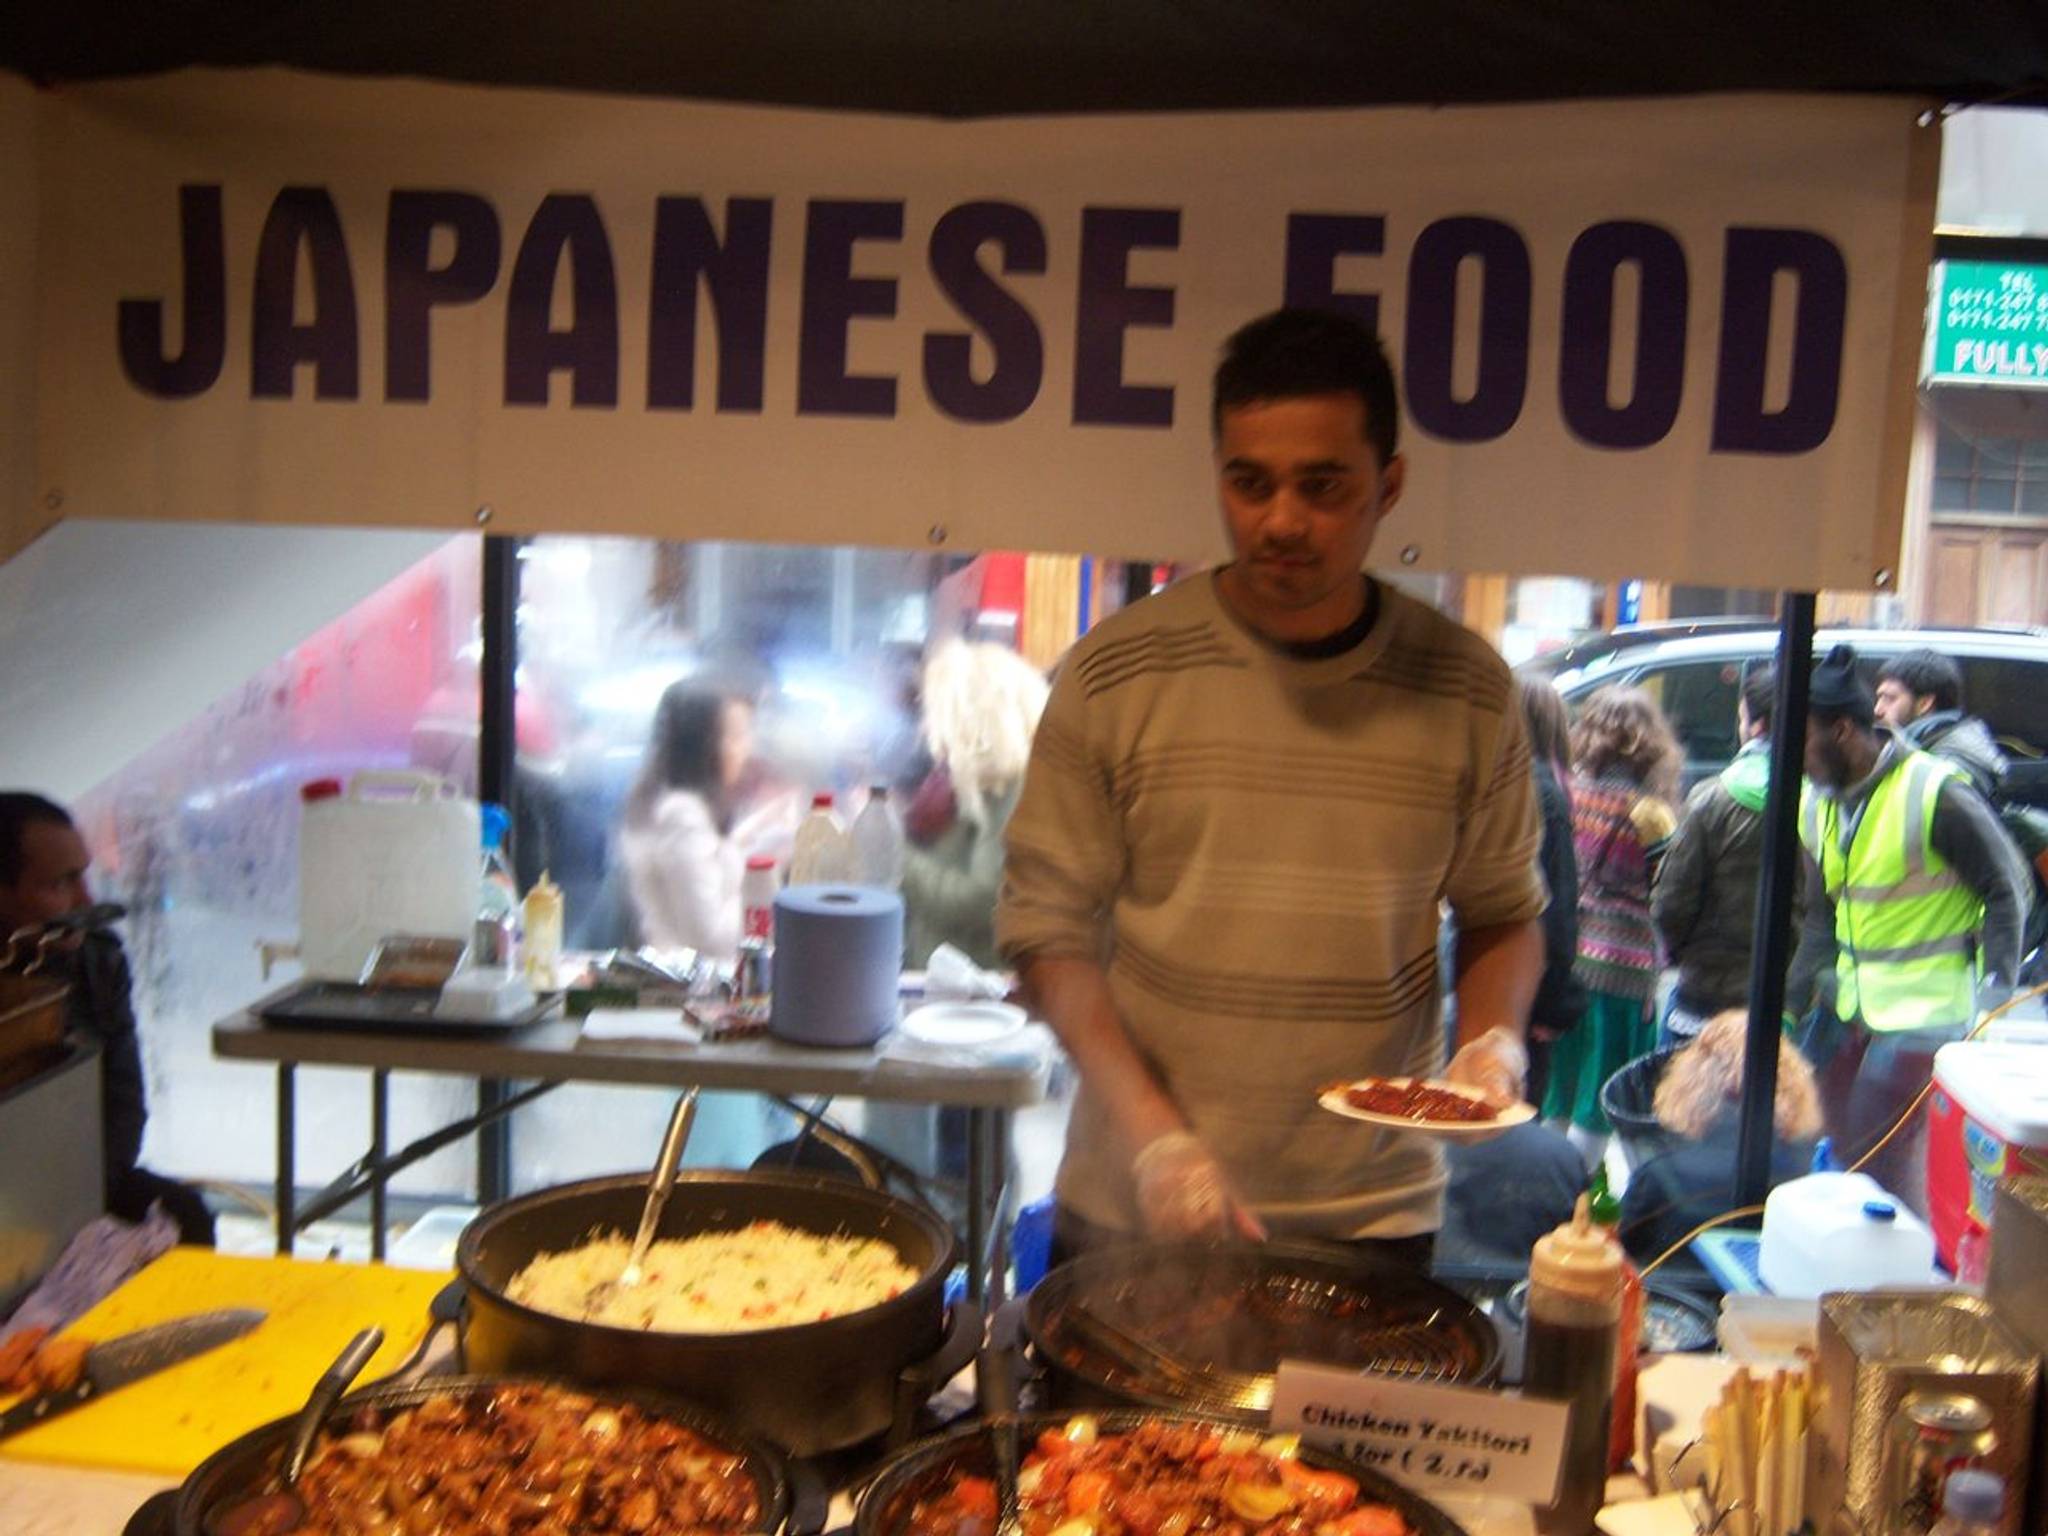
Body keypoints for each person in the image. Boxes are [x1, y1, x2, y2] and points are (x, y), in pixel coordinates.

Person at [995, 306, 1545, 1265]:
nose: (1282, 521)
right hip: (1130, 1204)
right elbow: (1047, 940)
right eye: (1250, 484)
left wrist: (1494, 1044)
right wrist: (1159, 1141)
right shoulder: (1113, 675)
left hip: (1371, 1214)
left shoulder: (1467, 689)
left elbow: (1504, 913)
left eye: (1322, 486)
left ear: (1390, 484)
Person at [1790, 644, 2032, 1210]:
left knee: (1873, 1154)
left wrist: (1991, 1004)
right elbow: (1820, 916)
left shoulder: (1934, 791)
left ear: (1843, 730)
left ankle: (1899, 1274)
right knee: (1825, 1136)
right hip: (1855, 1009)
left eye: (1801, 740)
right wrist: (1791, 1004)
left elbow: (2008, 890)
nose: (1792, 757)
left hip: (1928, 1017)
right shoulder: (1815, 803)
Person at [0, 793, 214, 1246]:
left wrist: (73, 1203)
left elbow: (122, 1102)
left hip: (81, 1178)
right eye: (59, 885)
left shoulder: (96, 959)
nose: (86, 900)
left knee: (184, 1215)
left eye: (83, 877)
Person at [1542, 685, 1680, 1171]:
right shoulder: (1652, 815)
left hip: (1568, 964)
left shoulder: (1568, 795)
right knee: (1600, 1097)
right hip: (1624, 974)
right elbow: (1668, 899)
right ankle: (1576, 1198)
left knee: (1559, 1090)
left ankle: (1548, 1188)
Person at [1653, 664, 1808, 1047]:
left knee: (1678, 1095)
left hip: (1708, 992)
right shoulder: (1820, 803)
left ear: (1755, 726)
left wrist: (1681, 952)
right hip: (1788, 998)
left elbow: (1671, 904)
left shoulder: (1713, 799)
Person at [901, 641, 1050, 970]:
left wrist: (897, 856)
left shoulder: (1015, 789)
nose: (929, 726)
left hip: (981, 993)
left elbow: (982, 902)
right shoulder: (972, 783)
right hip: (954, 982)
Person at [618, 682, 787, 960]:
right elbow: (711, 940)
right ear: (702, 747)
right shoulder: (681, 816)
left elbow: (713, 865)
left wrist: (755, 831)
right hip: (683, 990)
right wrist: (767, 878)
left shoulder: (669, 803)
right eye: (736, 737)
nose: (748, 749)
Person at [1519, 675, 1584, 1109]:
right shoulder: (1547, 794)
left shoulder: (1504, 783)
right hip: (1527, 990)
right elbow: (1556, 909)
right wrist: (1552, 1003)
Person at [1874, 649, 2007, 801]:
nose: (1877, 710)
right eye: (1879, 698)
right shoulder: (1929, 747)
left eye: (1889, 699)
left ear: (1924, 704)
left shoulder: (1949, 767)